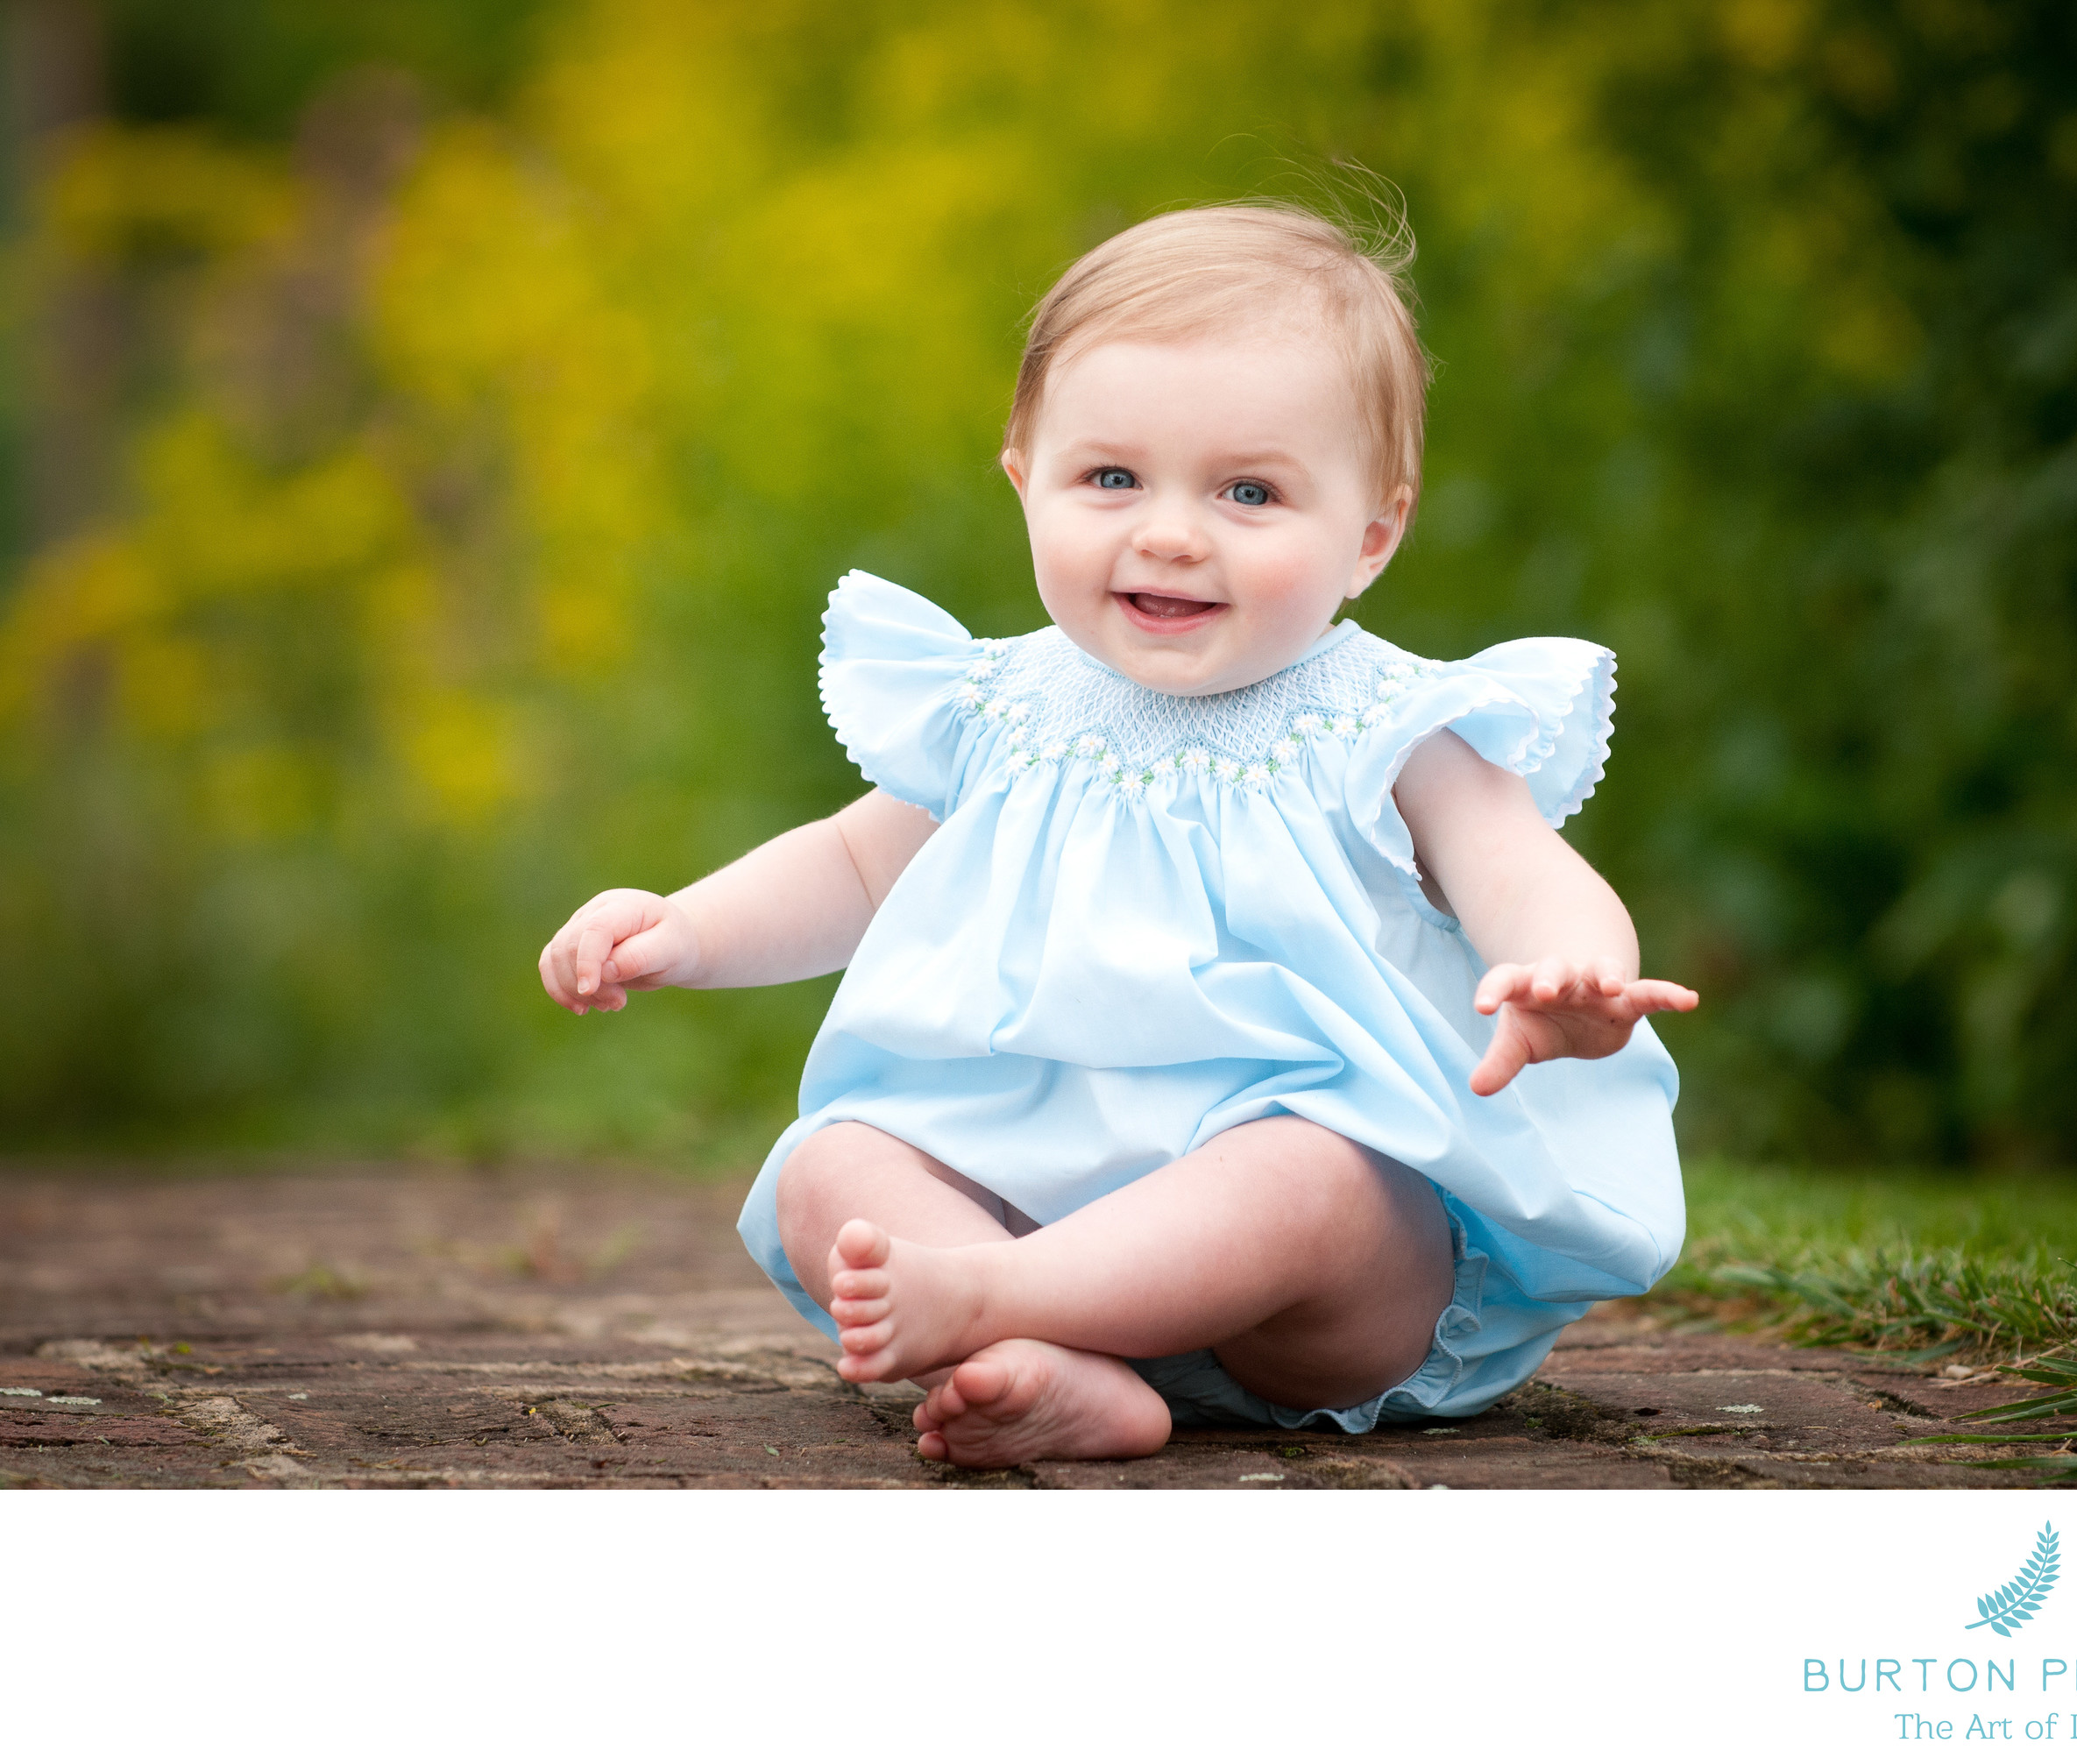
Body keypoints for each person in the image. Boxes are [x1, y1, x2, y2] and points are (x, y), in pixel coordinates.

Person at [537, 202, 1697, 1469]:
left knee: (1314, 1174)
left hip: (1311, 1307)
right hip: (1027, 1210)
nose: (1171, 531)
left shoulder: (1394, 724)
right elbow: (853, 861)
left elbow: (1523, 870)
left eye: (1249, 490)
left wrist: (1571, 973)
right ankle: (1050, 1359)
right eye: (1112, 478)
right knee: (830, 1164)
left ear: (1371, 533)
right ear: (1024, 478)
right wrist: (686, 925)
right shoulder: (997, 709)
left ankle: (991, 1305)